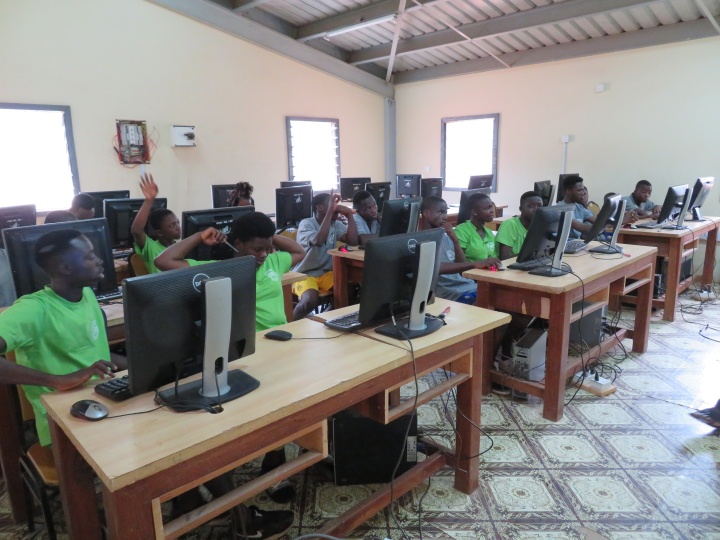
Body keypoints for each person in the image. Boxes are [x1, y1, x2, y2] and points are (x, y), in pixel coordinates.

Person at [0, 229, 126, 446]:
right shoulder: (34, 309)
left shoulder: (85, 293)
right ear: (65, 268)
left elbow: (94, 352)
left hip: (103, 400)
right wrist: (57, 380)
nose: (99, 260)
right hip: (63, 423)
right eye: (89, 256)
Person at [156, 211, 305, 331]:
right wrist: (199, 236)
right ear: (238, 244)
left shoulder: (273, 261)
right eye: (258, 249)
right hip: (251, 344)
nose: (264, 254)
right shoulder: (220, 269)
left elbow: (299, 252)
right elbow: (162, 261)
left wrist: (268, 235)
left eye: (267, 249)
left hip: (281, 334)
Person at [418, 196, 500, 305]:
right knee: (496, 304)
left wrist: (455, 240)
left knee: (507, 300)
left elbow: (462, 265)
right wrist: (475, 264)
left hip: (469, 286)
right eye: (440, 212)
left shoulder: (445, 236)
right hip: (451, 293)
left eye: (446, 212)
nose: (445, 217)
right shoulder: (421, 240)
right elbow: (435, 268)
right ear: (426, 213)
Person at [292, 193, 358, 320]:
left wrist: (349, 215)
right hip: (304, 274)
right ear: (320, 207)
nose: (335, 207)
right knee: (309, 301)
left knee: (349, 290)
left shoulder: (336, 224)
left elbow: (353, 241)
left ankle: (326, 319)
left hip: (325, 272)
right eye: (331, 204)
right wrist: (330, 212)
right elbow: (318, 240)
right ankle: (289, 325)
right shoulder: (307, 223)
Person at [130, 173, 181, 273]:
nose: (178, 227)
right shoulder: (151, 247)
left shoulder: (179, 247)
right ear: (159, 232)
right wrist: (149, 200)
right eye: (172, 225)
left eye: (178, 222)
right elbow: (136, 230)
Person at [453, 193, 500, 265]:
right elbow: (459, 263)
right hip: (469, 274)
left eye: (491, 207)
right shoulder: (461, 231)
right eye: (487, 208)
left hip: (488, 273)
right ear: (475, 212)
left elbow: (494, 258)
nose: (492, 211)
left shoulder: (489, 232)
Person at [496, 191, 543, 260]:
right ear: (521, 209)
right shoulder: (510, 225)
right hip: (510, 267)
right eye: (530, 206)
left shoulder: (540, 226)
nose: (536, 209)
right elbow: (504, 258)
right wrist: (529, 255)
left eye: (539, 206)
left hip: (529, 265)